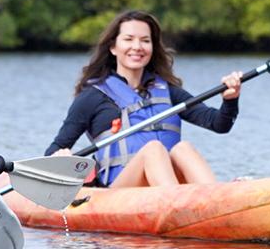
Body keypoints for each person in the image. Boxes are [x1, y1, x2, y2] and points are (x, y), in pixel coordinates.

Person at [46, 10, 242, 188]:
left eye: (145, 41)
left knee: (183, 148)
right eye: (129, 39)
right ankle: (179, 204)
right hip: (121, 193)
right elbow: (52, 152)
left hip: (166, 187)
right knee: (153, 150)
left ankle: (217, 198)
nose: (137, 47)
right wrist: (62, 158)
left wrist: (230, 100)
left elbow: (219, 124)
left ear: (152, 48)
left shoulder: (167, 91)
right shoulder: (92, 97)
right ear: (113, 47)